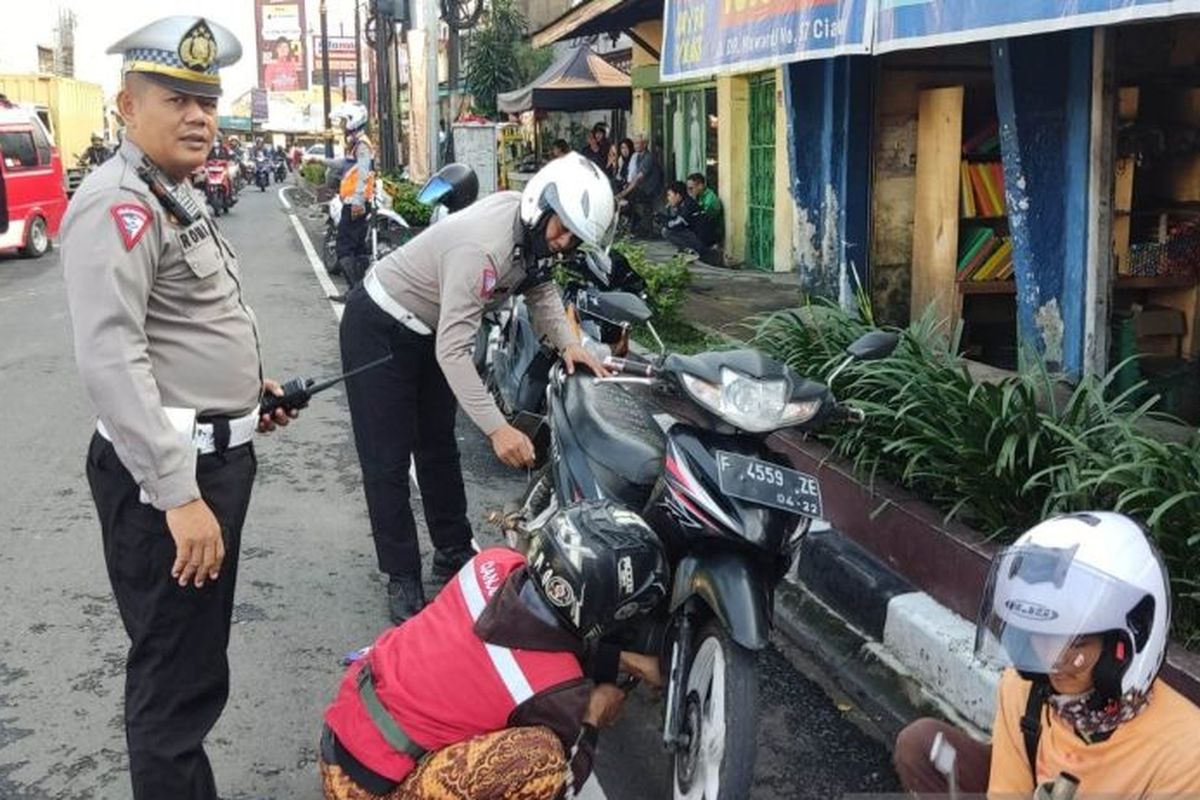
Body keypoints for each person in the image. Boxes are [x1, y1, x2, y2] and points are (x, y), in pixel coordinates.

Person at [60, 16, 298, 800]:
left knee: (192, 673)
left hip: (207, 461)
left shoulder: (176, 192)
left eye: (207, 97)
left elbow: (184, 328)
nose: (199, 114)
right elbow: (111, 359)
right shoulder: (118, 204)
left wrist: (245, 396)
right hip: (170, 479)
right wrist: (179, 494)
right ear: (127, 106)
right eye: (176, 97)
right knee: (172, 691)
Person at [338, 152, 614, 623]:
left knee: (439, 448)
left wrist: (570, 344)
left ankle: (450, 551)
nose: (564, 242)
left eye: (574, 238)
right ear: (540, 207)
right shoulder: (483, 250)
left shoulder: (531, 234)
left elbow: (540, 287)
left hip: (431, 330)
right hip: (379, 326)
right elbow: (454, 352)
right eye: (562, 229)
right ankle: (401, 574)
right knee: (387, 458)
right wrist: (496, 428)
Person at [319, 502, 669, 800]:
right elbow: (569, 782)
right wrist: (593, 715)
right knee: (541, 761)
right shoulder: (552, 692)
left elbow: (532, 638)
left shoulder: (494, 563)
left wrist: (625, 662)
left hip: (344, 730)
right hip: (364, 788)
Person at [893, 512, 1200, 798]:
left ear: (1124, 644)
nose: (1052, 660)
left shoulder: (1186, 751)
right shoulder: (1023, 689)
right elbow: (1006, 793)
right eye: (1040, 636)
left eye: (1075, 643)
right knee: (920, 743)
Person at [329, 101, 375, 300]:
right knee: (356, 248)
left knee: (344, 247)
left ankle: (355, 291)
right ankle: (358, 291)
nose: (341, 125)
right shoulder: (356, 143)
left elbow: (364, 173)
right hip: (353, 201)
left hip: (355, 203)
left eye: (344, 120)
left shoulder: (362, 144)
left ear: (353, 120)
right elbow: (346, 166)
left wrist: (357, 201)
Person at [615, 133, 662, 237]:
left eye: (637, 143)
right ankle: (633, 225)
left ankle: (634, 226)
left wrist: (623, 193)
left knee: (628, 197)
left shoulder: (648, 157)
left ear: (645, 144)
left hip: (650, 190)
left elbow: (637, 178)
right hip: (642, 188)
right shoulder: (637, 156)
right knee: (622, 193)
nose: (635, 145)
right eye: (635, 143)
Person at [659, 180, 706, 254]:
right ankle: (687, 249)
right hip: (696, 235)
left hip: (702, 240)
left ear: (678, 195)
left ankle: (692, 250)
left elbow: (676, 224)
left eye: (669, 195)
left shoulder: (688, 205)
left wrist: (663, 221)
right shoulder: (683, 203)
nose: (668, 198)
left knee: (666, 231)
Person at [686, 172, 723, 246]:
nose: (689, 191)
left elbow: (703, 217)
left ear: (700, 186)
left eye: (691, 188)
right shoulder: (699, 196)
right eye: (688, 188)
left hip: (711, 231)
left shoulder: (710, 198)